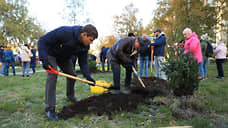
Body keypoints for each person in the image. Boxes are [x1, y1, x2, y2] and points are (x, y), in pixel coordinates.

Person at [38, 24, 98, 121]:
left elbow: (83, 63)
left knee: (72, 75)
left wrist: (88, 77)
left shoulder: (85, 47)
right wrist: (44, 60)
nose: (91, 43)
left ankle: (70, 96)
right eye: (91, 40)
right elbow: (42, 41)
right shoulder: (65, 32)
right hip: (51, 55)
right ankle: (50, 109)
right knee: (53, 75)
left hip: (64, 58)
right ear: (83, 35)